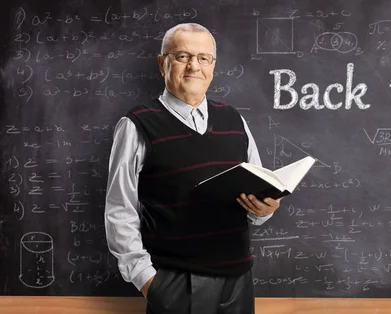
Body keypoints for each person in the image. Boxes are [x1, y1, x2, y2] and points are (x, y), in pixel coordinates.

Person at [104, 23, 281, 314]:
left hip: (238, 281)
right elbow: (119, 210)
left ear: (213, 65)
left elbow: (254, 198)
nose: (193, 66)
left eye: (203, 58)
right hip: (176, 283)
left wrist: (265, 208)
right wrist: (148, 281)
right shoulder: (137, 125)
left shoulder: (234, 120)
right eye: (183, 56)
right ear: (163, 63)